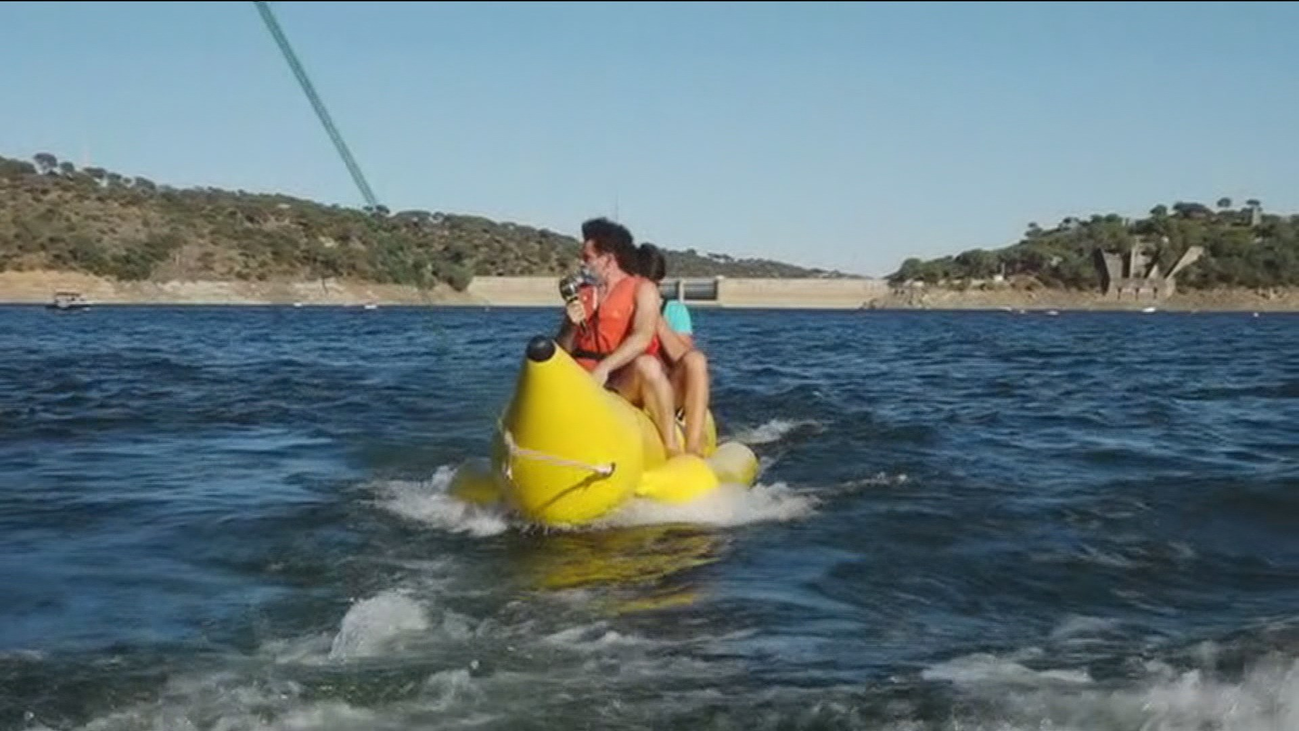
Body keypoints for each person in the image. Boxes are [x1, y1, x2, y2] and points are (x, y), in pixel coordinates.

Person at [555, 218, 682, 454]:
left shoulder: (643, 289)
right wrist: (570, 327)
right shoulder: (582, 295)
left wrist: (603, 368)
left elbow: (642, 337)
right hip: (582, 382)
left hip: (620, 381)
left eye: (588, 258)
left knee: (648, 365)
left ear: (608, 259)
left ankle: (671, 447)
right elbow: (563, 350)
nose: (582, 264)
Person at [636, 243, 711, 458]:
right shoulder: (621, 307)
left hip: (668, 393)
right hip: (633, 389)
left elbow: (683, 356)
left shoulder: (674, 310)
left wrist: (656, 319)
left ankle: (693, 445)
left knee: (696, 360)